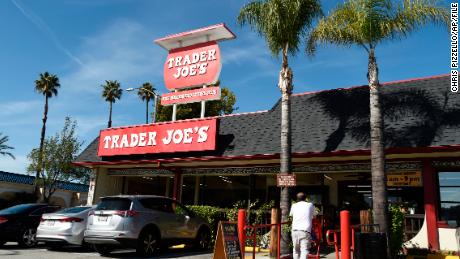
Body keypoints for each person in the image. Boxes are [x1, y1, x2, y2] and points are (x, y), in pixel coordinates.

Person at [290, 192, 315, 259]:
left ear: (297, 198)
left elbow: (291, 215)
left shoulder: (294, 205)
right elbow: (314, 216)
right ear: (305, 198)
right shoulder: (310, 205)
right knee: (304, 250)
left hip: (294, 230)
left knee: (295, 250)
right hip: (305, 230)